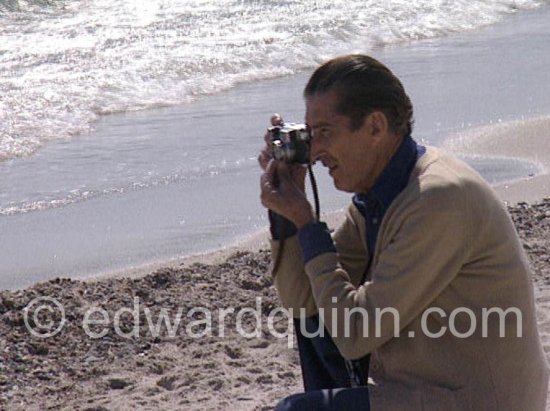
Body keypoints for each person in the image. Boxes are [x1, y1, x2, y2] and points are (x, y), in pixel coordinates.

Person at [258, 54, 548, 410]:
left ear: (376, 127)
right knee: (316, 327)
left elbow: (355, 335)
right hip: (431, 389)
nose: (315, 152)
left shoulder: (437, 198)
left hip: (480, 400)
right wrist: (286, 216)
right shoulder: (381, 192)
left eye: (325, 134)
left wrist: (307, 223)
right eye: (309, 136)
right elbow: (302, 303)